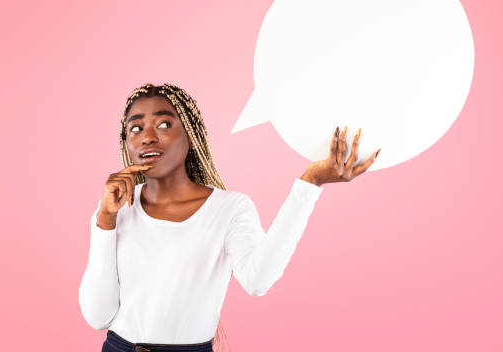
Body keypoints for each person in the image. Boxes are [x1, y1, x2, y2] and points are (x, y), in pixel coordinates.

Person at [78, 83, 380, 352]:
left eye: (164, 124)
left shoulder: (229, 208)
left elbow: (257, 280)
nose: (147, 138)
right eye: (135, 128)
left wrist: (309, 183)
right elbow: (97, 316)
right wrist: (105, 220)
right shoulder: (117, 210)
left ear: (191, 136)